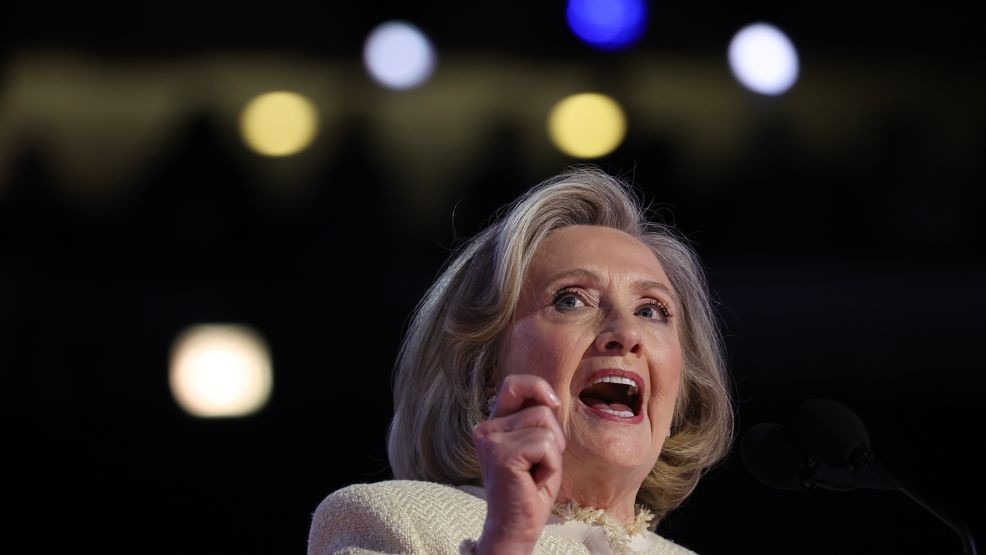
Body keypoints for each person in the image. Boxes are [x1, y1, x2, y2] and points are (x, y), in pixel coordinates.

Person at [307, 167, 733, 554]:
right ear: (484, 370)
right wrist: (506, 542)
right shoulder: (398, 521)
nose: (627, 334)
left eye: (651, 311)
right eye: (571, 300)